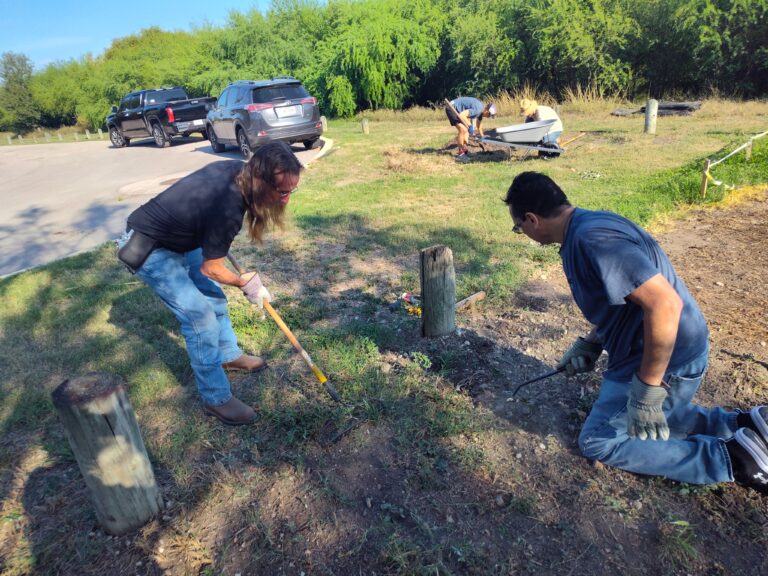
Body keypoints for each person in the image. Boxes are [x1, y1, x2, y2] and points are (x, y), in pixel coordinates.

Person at [503, 171, 768, 494]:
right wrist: (591, 343)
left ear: (532, 220)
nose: (522, 233)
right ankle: (745, 426)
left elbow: (664, 304)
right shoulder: (589, 225)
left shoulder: (593, 241)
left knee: (598, 440)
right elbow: (623, 302)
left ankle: (733, 459)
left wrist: (647, 390)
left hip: (669, 357)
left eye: (518, 228)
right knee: (649, 415)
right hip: (666, 348)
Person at [116, 141, 302, 426]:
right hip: (150, 248)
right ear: (260, 180)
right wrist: (244, 283)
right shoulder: (228, 206)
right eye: (282, 192)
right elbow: (211, 268)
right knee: (200, 318)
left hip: (180, 239)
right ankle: (216, 399)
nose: (286, 199)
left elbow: (208, 229)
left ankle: (227, 355)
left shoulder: (238, 172)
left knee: (213, 299)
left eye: (292, 191)